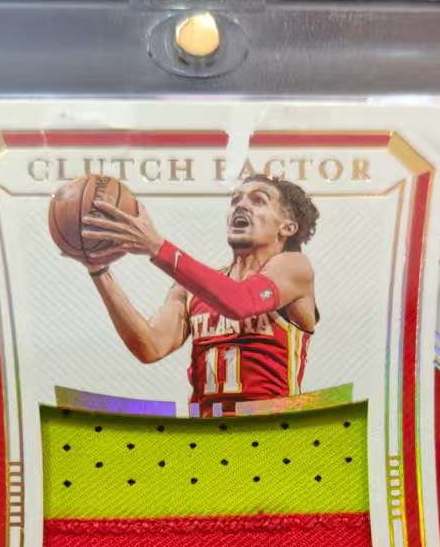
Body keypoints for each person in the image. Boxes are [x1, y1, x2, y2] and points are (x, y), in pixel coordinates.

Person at [81, 175, 320, 417]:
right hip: (207, 432)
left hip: (269, 431)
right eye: (235, 200)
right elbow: (150, 347)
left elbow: (240, 302)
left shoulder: (295, 267)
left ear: (287, 227)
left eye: (258, 200)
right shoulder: (189, 290)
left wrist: (157, 247)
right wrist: (99, 271)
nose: (241, 205)